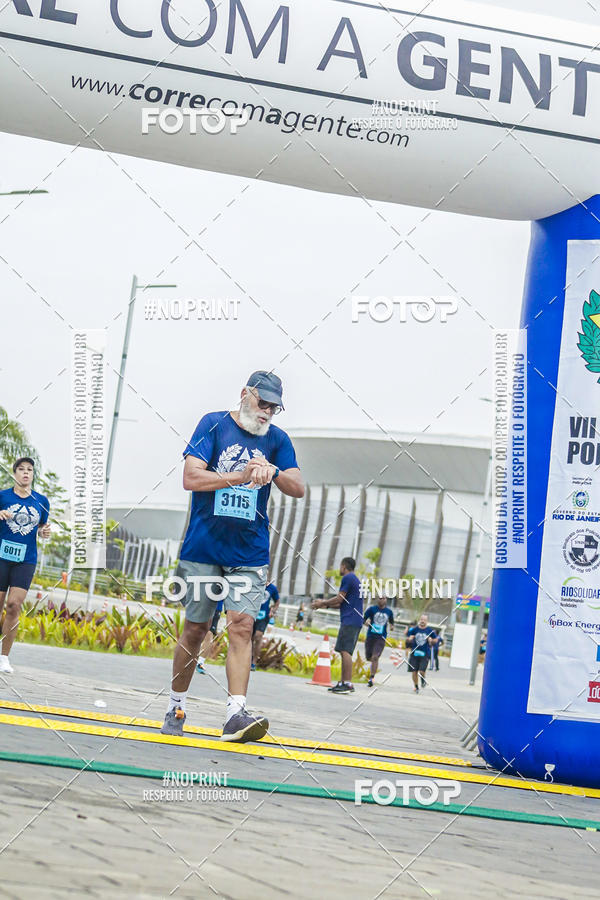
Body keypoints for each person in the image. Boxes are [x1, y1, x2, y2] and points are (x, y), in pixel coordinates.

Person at [161, 371, 304, 742]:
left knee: (241, 626)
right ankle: (177, 703)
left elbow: (298, 487)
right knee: (195, 628)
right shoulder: (213, 425)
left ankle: (235, 714)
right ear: (245, 395)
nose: (268, 411)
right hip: (204, 547)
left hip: (249, 551)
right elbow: (191, 479)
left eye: (275, 407)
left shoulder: (277, 440)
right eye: (263, 403)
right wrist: (241, 476)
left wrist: (272, 472)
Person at [0, 458, 50, 673]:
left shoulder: (41, 501)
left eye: (29, 470)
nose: (26, 473)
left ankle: (3, 657)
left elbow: (41, 527)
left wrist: (44, 532)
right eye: (21, 470)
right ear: (15, 474)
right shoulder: (3, 496)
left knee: (14, 605)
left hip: (26, 559)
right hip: (1, 557)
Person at [311, 556, 363, 694]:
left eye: (340, 566)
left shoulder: (347, 578)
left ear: (344, 566)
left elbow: (340, 598)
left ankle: (347, 683)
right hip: (354, 619)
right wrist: (325, 605)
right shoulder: (355, 579)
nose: (340, 569)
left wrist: (322, 603)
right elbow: (342, 603)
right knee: (344, 650)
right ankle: (343, 682)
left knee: (345, 651)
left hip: (350, 620)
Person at [363, 596, 395, 687]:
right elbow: (363, 618)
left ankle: (371, 678)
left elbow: (392, 622)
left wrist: (392, 627)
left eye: (384, 598)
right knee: (369, 657)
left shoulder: (389, 612)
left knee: (375, 657)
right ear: (377, 599)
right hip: (370, 636)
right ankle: (372, 669)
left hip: (381, 638)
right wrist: (366, 622)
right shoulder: (372, 609)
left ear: (386, 600)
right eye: (380, 598)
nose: (382, 600)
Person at [251, 581, 279, 670]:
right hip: (251, 613)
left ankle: (253, 662)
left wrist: (273, 611)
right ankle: (247, 659)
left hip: (263, 615)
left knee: (258, 636)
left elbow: (277, 601)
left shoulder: (272, 588)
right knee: (249, 638)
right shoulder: (254, 583)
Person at [406, 614, 436, 693]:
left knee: (421, 671)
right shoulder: (414, 629)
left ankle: (423, 680)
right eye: (421, 619)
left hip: (425, 654)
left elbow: (435, 640)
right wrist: (410, 639)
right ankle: (416, 686)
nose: (422, 621)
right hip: (414, 653)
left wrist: (431, 641)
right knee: (414, 671)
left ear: (427, 621)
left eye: (424, 620)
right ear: (420, 620)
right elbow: (408, 638)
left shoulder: (430, 631)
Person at [195, 599, 223, 674]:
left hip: (216, 607)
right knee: (195, 631)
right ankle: (189, 659)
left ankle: (200, 662)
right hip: (200, 604)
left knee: (209, 633)